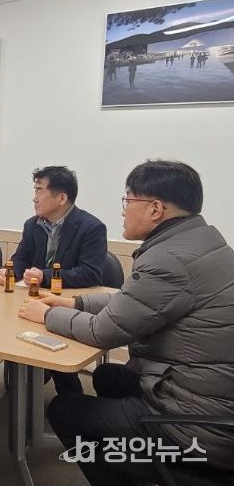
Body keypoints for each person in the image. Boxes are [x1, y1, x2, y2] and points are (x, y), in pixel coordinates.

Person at [19, 160, 234, 485]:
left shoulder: (168, 260)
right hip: (207, 395)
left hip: (197, 426)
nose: (122, 211)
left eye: (127, 200)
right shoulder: (199, 244)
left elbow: (103, 332)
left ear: (155, 209)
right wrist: (74, 303)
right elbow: (134, 299)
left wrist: (47, 315)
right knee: (107, 376)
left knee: (63, 411)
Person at [0, 166, 106, 394]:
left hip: (68, 304)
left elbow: (90, 273)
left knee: (57, 358)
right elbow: (21, 257)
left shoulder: (91, 228)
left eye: (39, 191)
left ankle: (70, 395)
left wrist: (44, 275)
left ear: (61, 198)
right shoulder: (32, 224)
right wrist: (10, 271)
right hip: (33, 300)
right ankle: (28, 382)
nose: (34, 198)